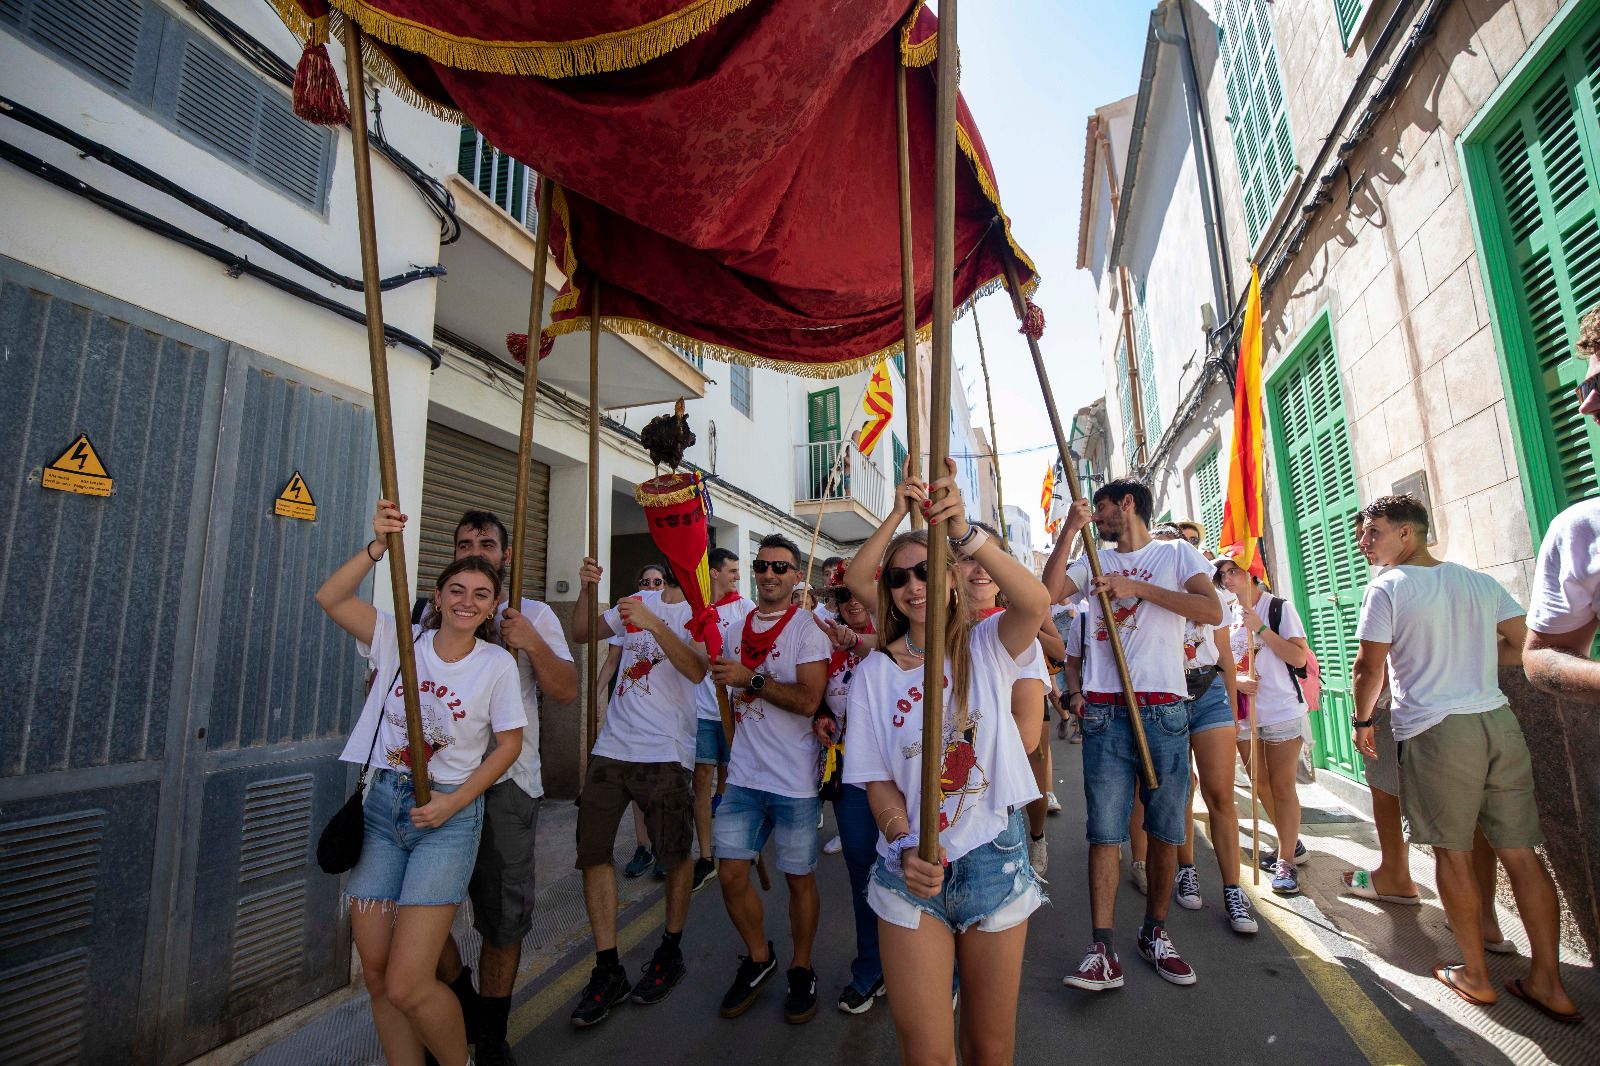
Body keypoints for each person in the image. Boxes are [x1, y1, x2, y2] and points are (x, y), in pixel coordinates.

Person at [842, 459, 1049, 1065]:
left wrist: (960, 527)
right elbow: (876, 780)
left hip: (993, 857)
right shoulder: (873, 675)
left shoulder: (987, 647)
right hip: (910, 874)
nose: (914, 584)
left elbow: (1035, 601)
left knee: (990, 1049)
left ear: (954, 577)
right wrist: (904, 839)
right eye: (901, 577)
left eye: (928, 570)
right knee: (926, 1055)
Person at [1352, 495, 1578, 1021]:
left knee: (1451, 853)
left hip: (1437, 729)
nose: (1365, 542)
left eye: (1374, 532)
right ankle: (1549, 982)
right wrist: (1476, 653)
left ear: (1407, 534)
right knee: (1521, 852)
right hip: (1498, 722)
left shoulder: (1387, 587)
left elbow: (1368, 667)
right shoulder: (1477, 582)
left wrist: (1364, 722)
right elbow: (1523, 647)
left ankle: (1475, 975)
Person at [317, 500, 526, 1066]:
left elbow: (508, 745)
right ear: (439, 596)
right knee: (379, 978)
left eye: (480, 596)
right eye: (457, 589)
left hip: (447, 819)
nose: (466, 601)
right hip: (383, 807)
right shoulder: (399, 642)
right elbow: (330, 598)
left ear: (491, 609)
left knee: (410, 982)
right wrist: (377, 545)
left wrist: (454, 802)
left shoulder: (495, 666)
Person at [1044, 479, 1222, 990]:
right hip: (1105, 710)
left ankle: (1155, 932)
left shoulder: (1175, 553)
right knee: (1104, 831)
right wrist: (1071, 531)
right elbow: (1047, 595)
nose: (1096, 520)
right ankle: (1102, 948)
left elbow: (1212, 612)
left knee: (1167, 829)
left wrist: (1137, 589)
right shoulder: (1093, 558)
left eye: (1099, 511)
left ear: (1126, 504)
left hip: (1164, 709)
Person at [417, 511, 577, 1066]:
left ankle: (491, 1031)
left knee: (503, 915)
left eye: (488, 543)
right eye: (466, 543)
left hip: (507, 785)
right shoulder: (431, 611)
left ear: (507, 556)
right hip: (436, 782)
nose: (478, 549)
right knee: (418, 904)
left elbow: (565, 691)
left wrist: (530, 641)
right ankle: (460, 994)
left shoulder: (531, 614)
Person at [569, 556, 707, 1027]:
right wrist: (589, 589)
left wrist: (654, 625)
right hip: (613, 746)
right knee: (593, 853)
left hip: (666, 752)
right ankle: (608, 967)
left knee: (674, 854)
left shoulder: (701, 610)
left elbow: (696, 670)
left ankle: (670, 949)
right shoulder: (635, 601)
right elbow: (583, 633)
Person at [708, 534, 831, 1023]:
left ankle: (802, 968)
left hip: (794, 782)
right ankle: (760, 957)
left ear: (797, 575)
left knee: (798, 879)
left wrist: (750, 679)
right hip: (743, 777)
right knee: (731, 873)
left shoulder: (808, 631)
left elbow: (807, 701)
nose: (770, 574)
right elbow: (719, 680)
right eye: (762, 566)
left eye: (781, 567)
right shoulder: (735, 630)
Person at [810, 561, 885, 1014]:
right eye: (841, 596)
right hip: (853, 780)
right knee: (865, 878)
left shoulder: (903, 634)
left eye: (858, 591)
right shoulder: (828, 643)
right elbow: (822, 695)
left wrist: (860, 643)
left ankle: (941, 971)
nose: (851, 602)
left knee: (917, 871)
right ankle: (871, 969)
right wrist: (822, 715)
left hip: (907, 779)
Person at [1214, 555, 1310, 897]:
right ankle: (1290, 842)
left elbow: (1298, 657)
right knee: (1260, 784)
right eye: (1222, 573)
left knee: (1283, 786)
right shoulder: (1225, 613)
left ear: (1250, 572)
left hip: (1281, 709)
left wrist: (1262, 629)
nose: (1227, 578)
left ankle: (1286, 861)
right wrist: (1237, 679)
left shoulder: (1277, 608)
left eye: (1233, 571)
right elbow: (1221, 660)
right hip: (1244, 715)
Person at [1525, 304, 1600, 698]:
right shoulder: (1582, 526)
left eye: (1597, 385)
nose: (1585, 406)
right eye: (1584, 388)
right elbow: (1541, 655)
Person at [1170, 559, 1249, 929]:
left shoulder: (1213, 597)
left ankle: (1233, 889)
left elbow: (1226, 658)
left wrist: (1233, 713)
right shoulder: (1154, 596)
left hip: (1209, 691)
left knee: (1220, 794)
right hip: (1167, 693)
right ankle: (1186, 869)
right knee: (1183, 788)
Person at [690, 548, 754, 892]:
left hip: (734, 711)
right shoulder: (696, 608)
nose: (736, 576)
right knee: (702, 780)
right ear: (713, 573)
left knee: (731, 779)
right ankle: (705, 855)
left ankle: (731, 843)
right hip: (701, 710)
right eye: (731, 570)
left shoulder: (744, 609)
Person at [607, 564, 670, 880]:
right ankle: (643, 847)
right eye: (644, 581)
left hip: (662, 719)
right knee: (635, 791)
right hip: (628, 712)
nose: (650, 586)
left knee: (658, 791)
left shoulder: (672, 616)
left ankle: (662, 850)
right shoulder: (628, 612)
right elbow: (612, 660)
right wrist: (594, 696)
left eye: (657, 582)